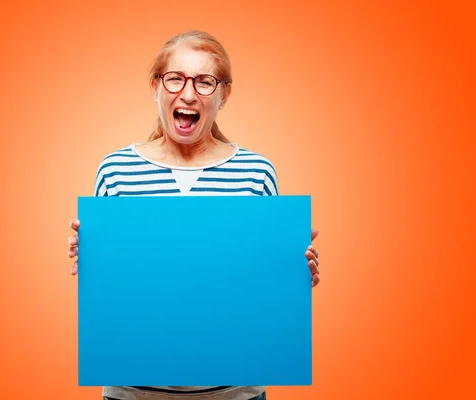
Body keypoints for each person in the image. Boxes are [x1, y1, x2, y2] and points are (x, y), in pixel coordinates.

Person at [67, 30, 321, 400]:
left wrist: (296, 275)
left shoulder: (255, 172)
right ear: (156, 86)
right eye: (175, 79)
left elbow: (263, 287)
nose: (188, 94)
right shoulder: (115, 169)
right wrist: (89, 257)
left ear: (224, 94)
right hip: (133, 391)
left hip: (235, 392)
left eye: (205, 82)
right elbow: (115, 294)